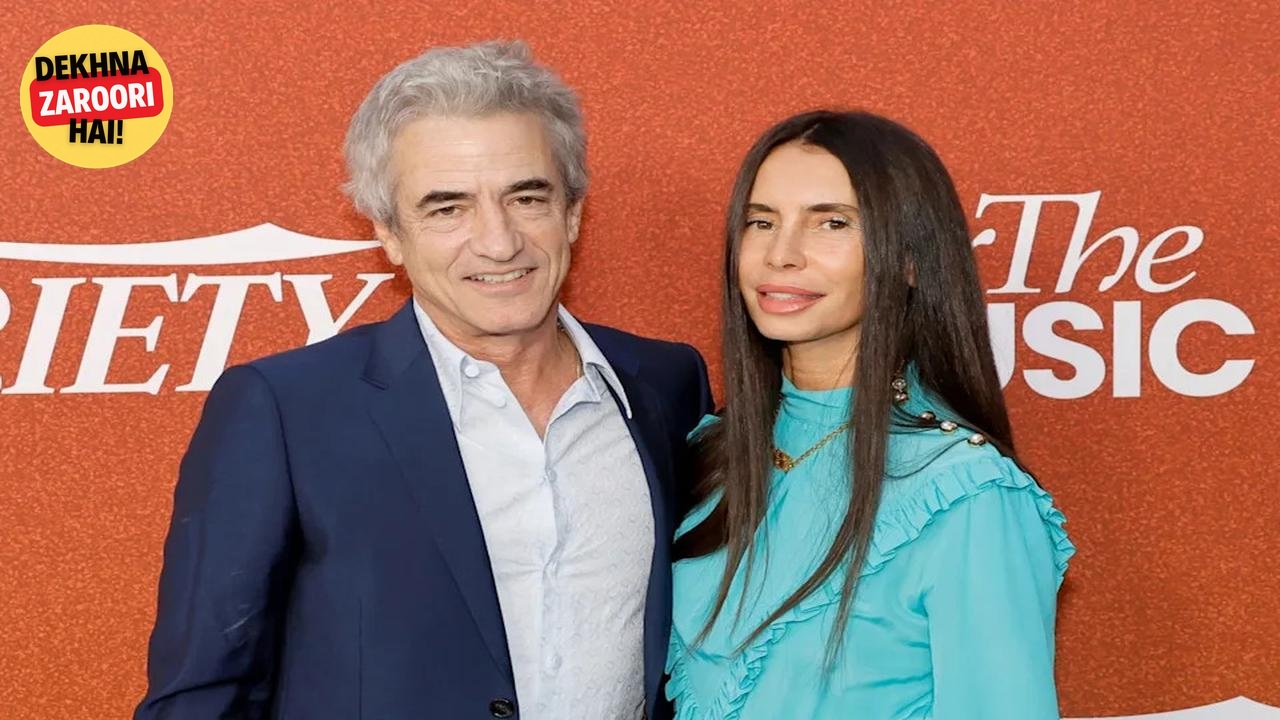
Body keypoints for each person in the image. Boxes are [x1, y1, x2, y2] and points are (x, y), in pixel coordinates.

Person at [136, 40, 712, 720]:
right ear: (388, 233)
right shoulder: (285, 411)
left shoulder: (666, 387)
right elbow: (202, 694)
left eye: (527, 197)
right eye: (447, 208)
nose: (498, 241)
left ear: (573, 212)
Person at [666, 110, 1075, 719]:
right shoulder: (712, 452)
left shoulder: (966, 494)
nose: (781, 254)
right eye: (761, 221)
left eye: (832, 222)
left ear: (910, 259)